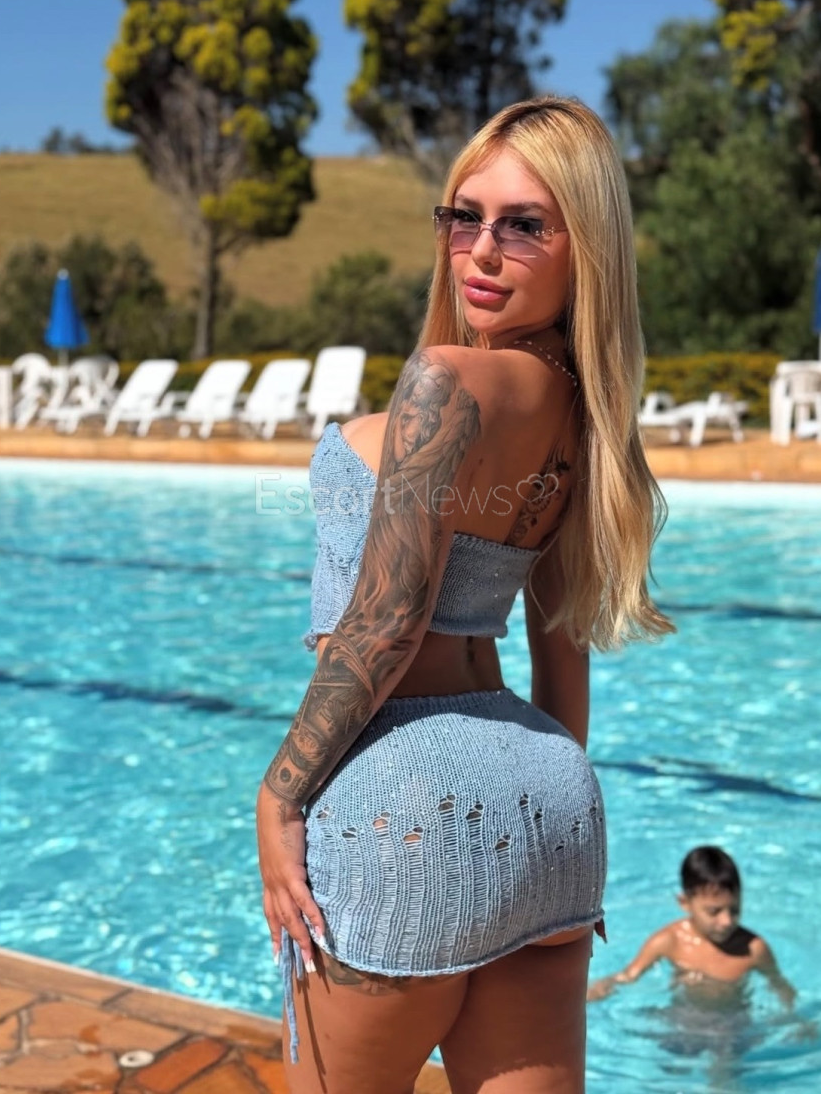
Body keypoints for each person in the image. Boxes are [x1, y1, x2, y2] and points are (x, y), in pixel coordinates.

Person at [256, 94, 674, 1094]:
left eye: (523, 225)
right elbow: (562, 645)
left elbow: (385, 623)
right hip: (549, 801)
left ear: (585, 248)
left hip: (401, 800)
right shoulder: (587, 420)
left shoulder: (445, 382)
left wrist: (279, 795)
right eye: (464, 216)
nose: (481, 249)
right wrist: (553, 818)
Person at [587, 846, 796, 1010]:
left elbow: (779, 985)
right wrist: (603, 986)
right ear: (685, 902)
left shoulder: (753, 949)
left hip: (732, 1025)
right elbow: (629, 976)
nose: (726, 921)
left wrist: (794, 1019)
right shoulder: (669, 941)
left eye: (734, 909)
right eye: (714, 911)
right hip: (682, 1018)